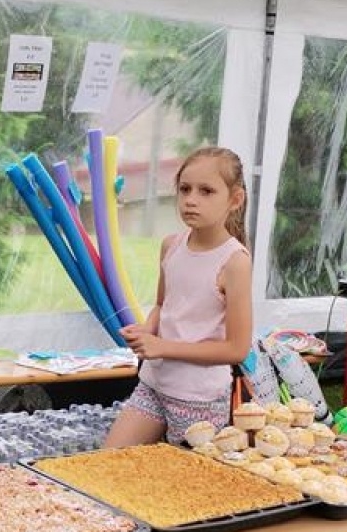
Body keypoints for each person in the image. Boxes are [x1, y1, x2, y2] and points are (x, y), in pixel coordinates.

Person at [103, 146, 253, 448]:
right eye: (184, 189)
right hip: (153, 384)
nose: (191, 200)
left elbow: (236, 349)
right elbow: (163, 305)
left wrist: (162, 346)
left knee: (183, 486)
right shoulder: (171, 245)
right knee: (110, 462)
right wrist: (147, 330)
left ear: (235, 200)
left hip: (199, 399)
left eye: (206, 191)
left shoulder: (235, 261)